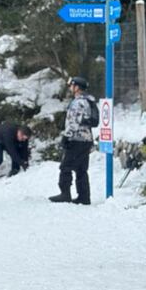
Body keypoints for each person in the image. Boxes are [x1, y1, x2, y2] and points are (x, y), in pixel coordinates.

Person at [49, 76, 97, 205]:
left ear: (77, 87)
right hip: (86, 139)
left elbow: (73, 122)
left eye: (71, 85)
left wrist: (66, 136)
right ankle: (84, 196)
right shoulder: (88, 101)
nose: (70, 88)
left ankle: (65, 194)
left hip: (76, 139)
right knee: (81, 169)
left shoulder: (78, 103)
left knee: (66, 167)